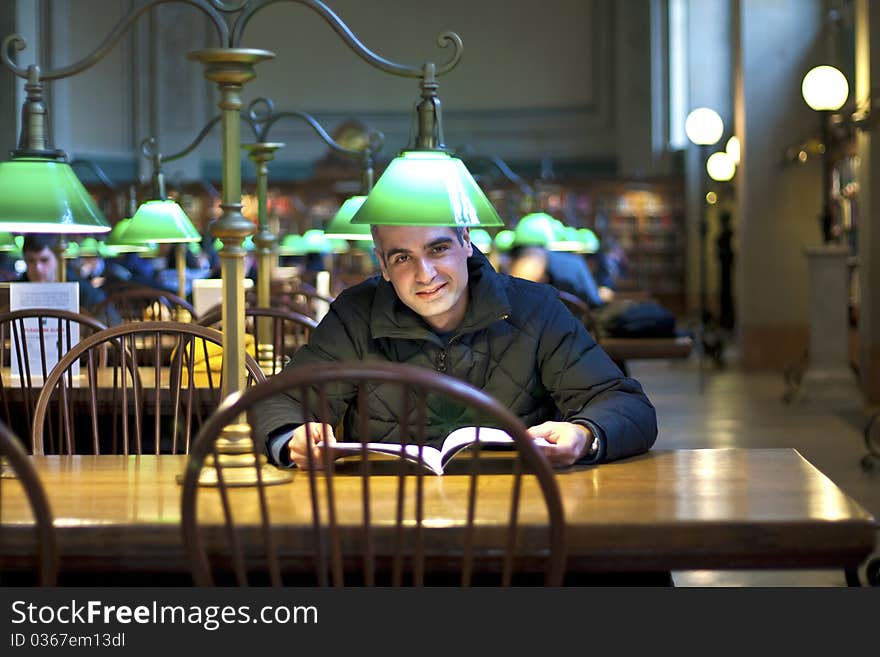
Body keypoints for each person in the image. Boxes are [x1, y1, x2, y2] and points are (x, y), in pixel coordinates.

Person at [253, 223, 657, 471]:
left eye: (437, 248)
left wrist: (583, 434)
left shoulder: (537, 309)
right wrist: (293, 436)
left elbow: (628, 406)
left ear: (466, 240)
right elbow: (279, 400)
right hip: (383, 531)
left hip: (518, 527)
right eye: (402, 257)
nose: (424, 274)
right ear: (382, 264)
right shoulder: (355, 315)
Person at [20, 235, 110, 312]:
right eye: (31, 261)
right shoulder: (14, 291)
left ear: (58, 259)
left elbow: (110, 321)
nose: (38, 268)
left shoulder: (83, 291)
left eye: (44, 260)